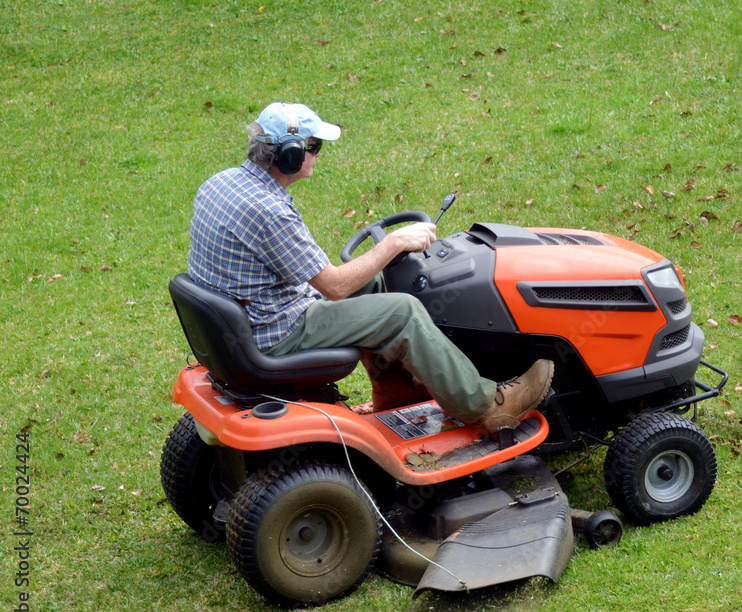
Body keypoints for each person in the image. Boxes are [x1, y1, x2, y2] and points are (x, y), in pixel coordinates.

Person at [187, 102, 553, 435]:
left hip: (249, 319)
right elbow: (334, 286)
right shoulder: (270, 211)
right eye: (314, 146)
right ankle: (486, 406)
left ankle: (395, 395)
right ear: (290, 154)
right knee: (403, 311)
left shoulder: (221, 183)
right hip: (276, 332)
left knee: (376, 286)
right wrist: (394, 242)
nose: (318, 154)